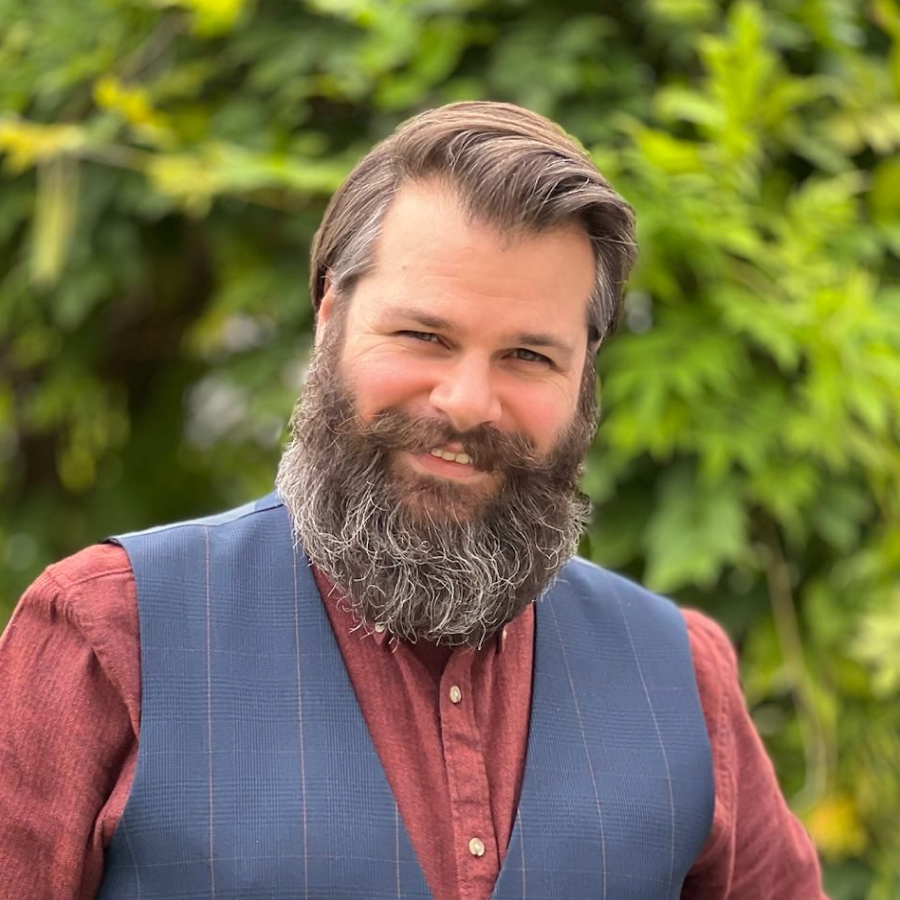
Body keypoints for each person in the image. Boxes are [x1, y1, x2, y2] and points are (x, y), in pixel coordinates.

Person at [0, 102, 827, 900]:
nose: (467, 403)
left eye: (529, 357)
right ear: (329, 316)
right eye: (424, 336)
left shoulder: (681, 677)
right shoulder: (106, 635)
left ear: (584, 377)